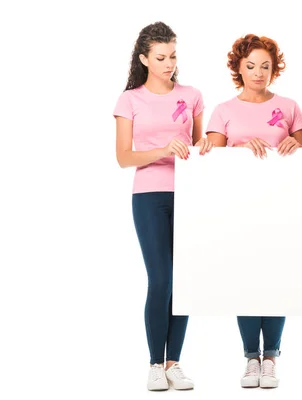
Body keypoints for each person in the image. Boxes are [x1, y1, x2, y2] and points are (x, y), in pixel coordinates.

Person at [113, 21, 213, 391]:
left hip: (190, 195)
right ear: (144, 59)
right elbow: (123, 157)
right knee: (161, 279)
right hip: (150, 197)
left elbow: (204, 147)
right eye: (161, 57)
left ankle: (175, 363)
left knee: (183, 281)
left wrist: (206, 147)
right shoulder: (130, 99)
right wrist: (163, 149)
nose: (169, 63)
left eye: (172, 56)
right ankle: (155, 363)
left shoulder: (192, 95)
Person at [205, 33, 302, 389]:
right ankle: (251, 357)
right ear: (238, 68)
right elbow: (210, 161)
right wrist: (240, 147)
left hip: (283, 207)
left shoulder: (291, 106)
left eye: (265, 66)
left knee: (277, 277)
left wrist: (297, 143)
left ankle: (271, 359)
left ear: (274, 68)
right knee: (245, 278)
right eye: (250, 66)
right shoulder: (224, 111)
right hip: (239, 209)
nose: (258, 73)